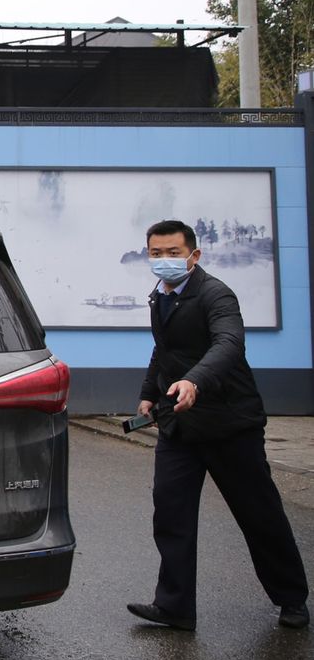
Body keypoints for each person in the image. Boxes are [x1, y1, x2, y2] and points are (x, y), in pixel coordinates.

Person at [128, 218, 309, 631]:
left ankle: (291, 597)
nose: (164, 260)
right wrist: (149, 393)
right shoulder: (160, 296)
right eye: (156, 253)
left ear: (194, 255)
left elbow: (229, 343)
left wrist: (194, 381)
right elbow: (164, 349)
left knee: (258, 514)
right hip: (179, 424)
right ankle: (174, 607)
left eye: (173, 252)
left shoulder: (216, 294)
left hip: (230, 424)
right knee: (171, 514)